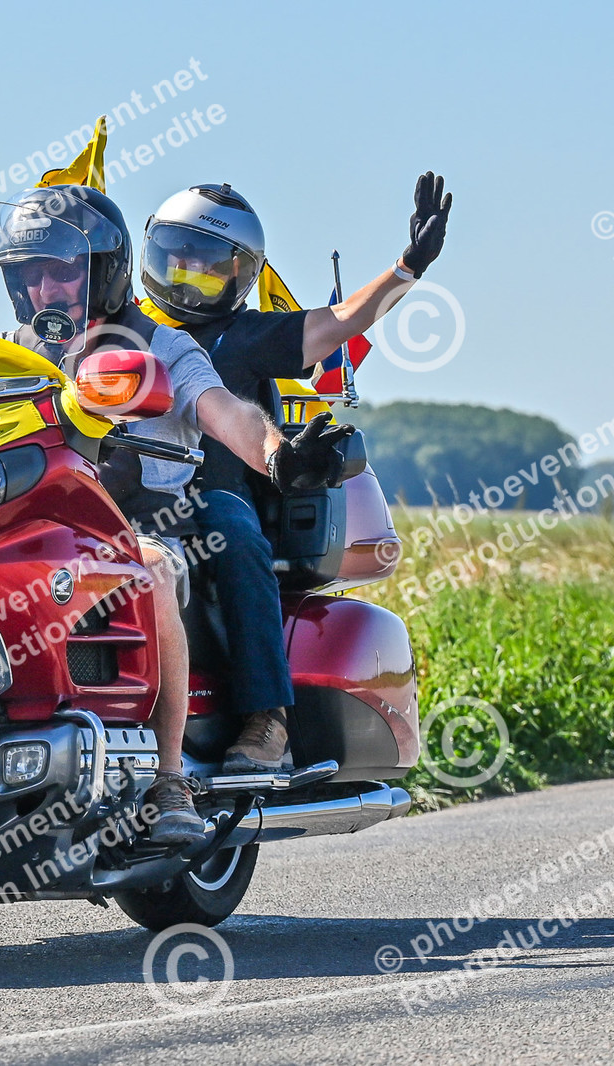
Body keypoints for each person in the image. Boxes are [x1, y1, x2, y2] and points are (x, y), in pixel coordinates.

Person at [0, 185, 330, 845]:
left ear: (103, 271)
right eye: (29, 274)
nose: (45, 289)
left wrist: (279, 457)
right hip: (40, 527)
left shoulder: (163, 346)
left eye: (61, 270)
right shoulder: (11, 352)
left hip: (141, 525)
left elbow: (225, 412)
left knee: (158, 566)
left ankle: (171, 778)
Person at [137, 174, 452, 774]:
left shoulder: (245, 334)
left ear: (240, 274)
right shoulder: (127, 327)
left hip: (210, 493)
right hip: (126, 493)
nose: (187, 275)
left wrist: (407, 268)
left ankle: (268, 717)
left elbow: (339, 322)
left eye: (207, 266)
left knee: (235, 534)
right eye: (177, 258)